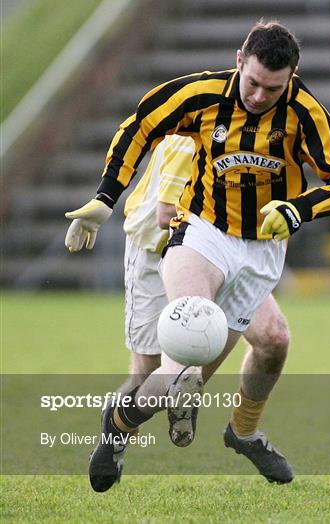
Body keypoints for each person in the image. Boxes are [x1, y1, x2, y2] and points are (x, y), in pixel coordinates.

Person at [65, 20, 330, 491]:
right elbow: (140, 124)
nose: (261, 96)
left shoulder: (304, 113)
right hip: (202, 229)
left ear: (292, 77)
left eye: (274, 87)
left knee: (195, 374)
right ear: (239, 59)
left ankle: (129, 419)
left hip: (261, 254)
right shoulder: (202, 95)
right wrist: (105, 198)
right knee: (188, 351)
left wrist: (298, 209)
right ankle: (122, 431)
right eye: (253, 83)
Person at [66, 133, 292, 489]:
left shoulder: (268, 131)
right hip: (157, 252)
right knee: (153, 377)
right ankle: (118, 429)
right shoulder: (196, 133)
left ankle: (243, 432)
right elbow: (166, 215)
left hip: (225, 251)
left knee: (273, 337)